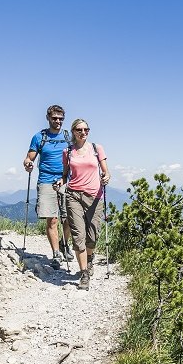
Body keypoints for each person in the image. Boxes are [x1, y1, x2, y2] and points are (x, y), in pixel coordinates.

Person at [58, 118, 110, 289]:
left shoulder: (97, 149)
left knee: (92, 236)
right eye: (79, 130)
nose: (83, 133)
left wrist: (106, 176)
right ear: (73, 132)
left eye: (86, 129)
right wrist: (61, 181)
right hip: (73, 195)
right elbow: (65, 174)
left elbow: (106, 171)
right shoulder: (68, 152)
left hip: (95, 196)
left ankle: (90, 258)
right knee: (78, 235)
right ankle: (84, 274)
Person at [22, 105, 73, 262]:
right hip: (46, 180)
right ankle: (56, 253)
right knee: (52, 219)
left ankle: (64, 243)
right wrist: (28, 163)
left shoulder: (68, 136)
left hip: (66, 179)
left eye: (61, 119)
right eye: (55, 118)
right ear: (48, 118)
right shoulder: (39, 137)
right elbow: (29, 157)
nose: (58, 121)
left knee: (69, 218)